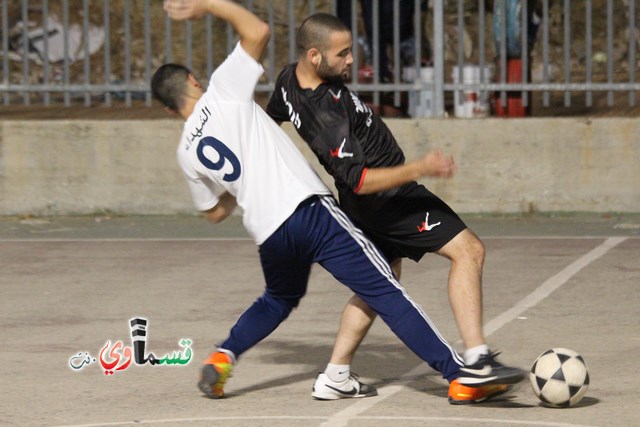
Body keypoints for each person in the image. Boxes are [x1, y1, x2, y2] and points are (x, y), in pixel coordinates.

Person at [152, 0, 509, 404]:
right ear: (195, 81)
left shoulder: (185, 151)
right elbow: (258, 32)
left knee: (277, 299)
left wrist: (242, 183)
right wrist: (208, 4)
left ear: (168, 109)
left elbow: (214, 212)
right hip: (309, 211)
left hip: (269, 231)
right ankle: (461, 374)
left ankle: (224, 356)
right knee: (386, 291)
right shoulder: (223, 91)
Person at [266, 12, 525, 402]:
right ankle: (477, 361)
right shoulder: (326, 112)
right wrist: (419, 167)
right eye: (344, 53)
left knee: (379, 283)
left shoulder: (288, 80)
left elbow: (269, 122)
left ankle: (335, 374)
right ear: (315, 56)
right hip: (388, 200)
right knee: (468, 250)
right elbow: (360, 179)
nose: (352, 59)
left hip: (365, 205)